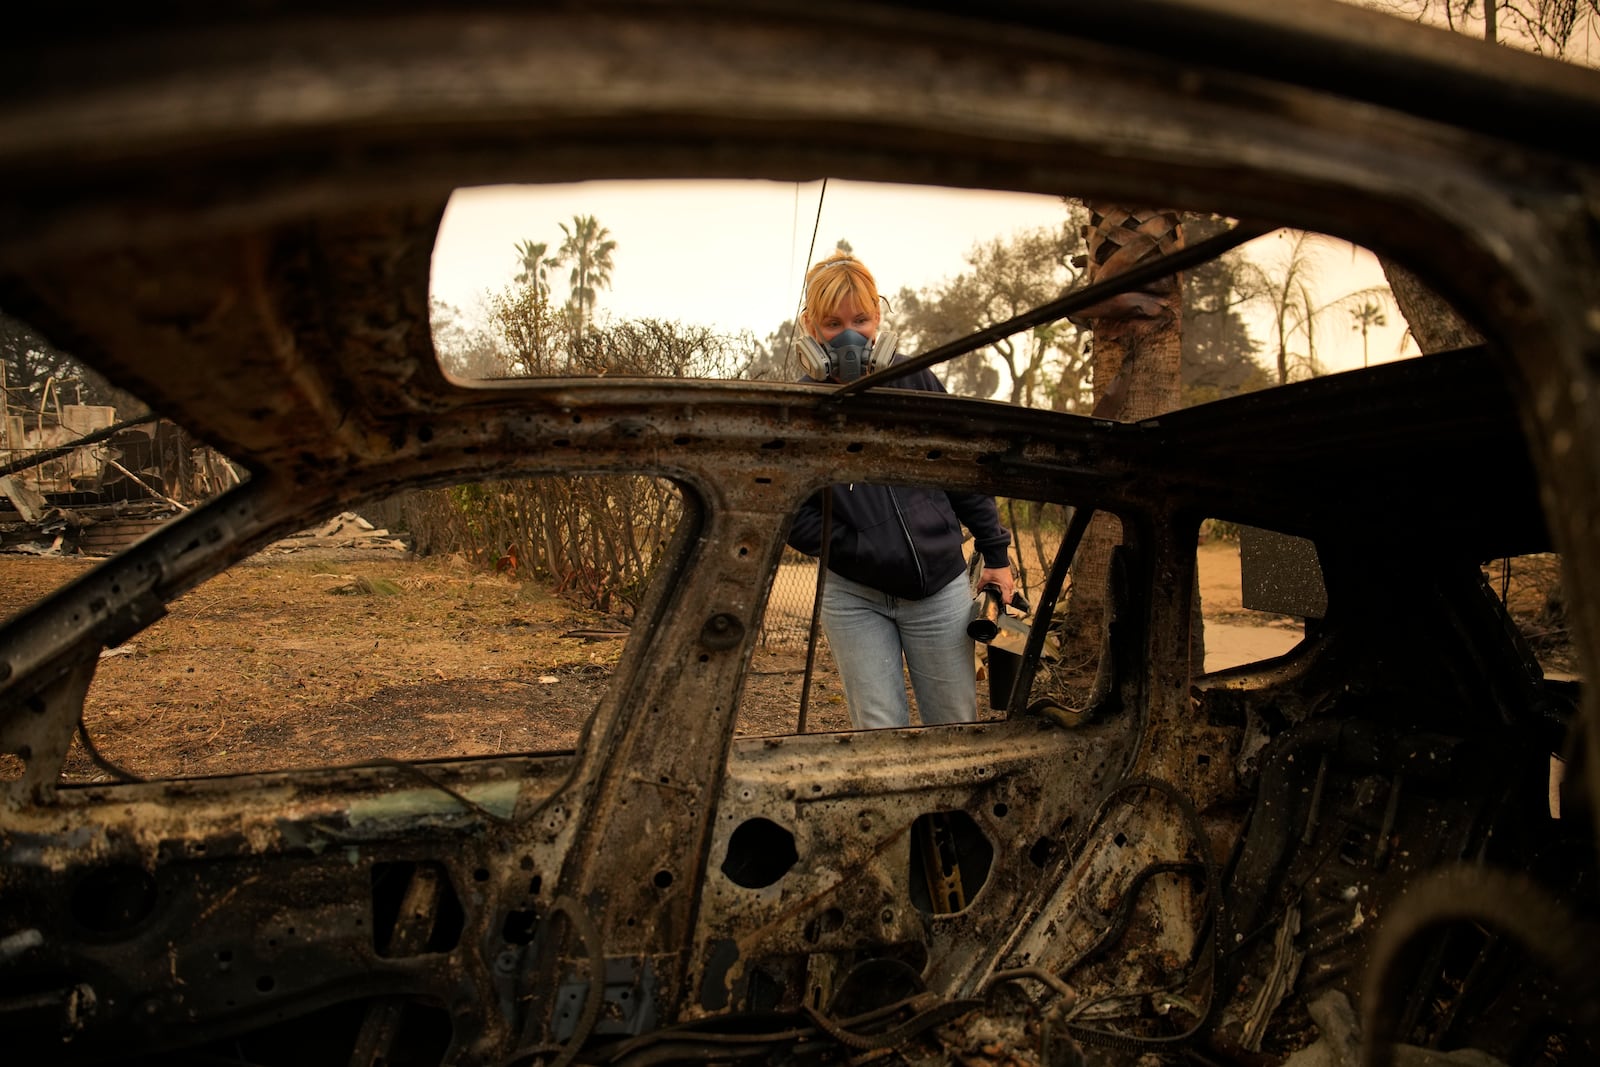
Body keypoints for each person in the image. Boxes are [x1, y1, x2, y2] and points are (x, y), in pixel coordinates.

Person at [785, 251, 1015, 730]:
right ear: (809, 326)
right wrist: (856, 548)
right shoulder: (801, 407)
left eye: (861, 319)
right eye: (833, 323)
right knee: (878, 730)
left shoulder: (917, 380)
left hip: (941, 590)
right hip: (853, 598)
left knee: (954, 727)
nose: (850, 334)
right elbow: (789, 509)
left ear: (880, 316)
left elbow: (962, 468)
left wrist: (995, 555)